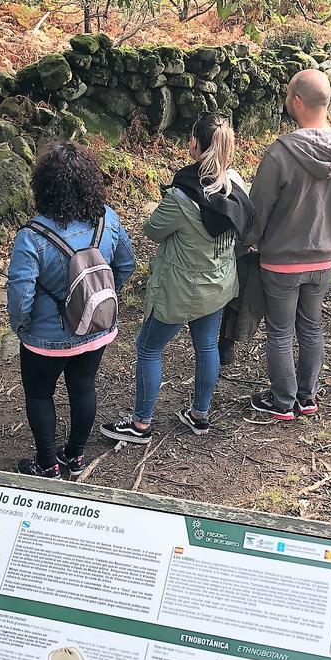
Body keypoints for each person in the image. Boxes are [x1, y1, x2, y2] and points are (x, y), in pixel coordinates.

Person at [100, 114, 252, 443]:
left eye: (191, 138)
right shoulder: (236, 184)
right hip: (218, 283)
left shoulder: (182, 197)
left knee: (148, 348)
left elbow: (152, 230)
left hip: (179, 288)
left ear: (197, 144)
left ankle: (141, 424)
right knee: (207, 345)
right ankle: (200, 414)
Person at [6, 142, 136, 478]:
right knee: (83, 388)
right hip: (96, 329)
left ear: (43, 186)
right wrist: (99, 299)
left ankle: (47, 464)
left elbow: (21, 296)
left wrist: (21, 327)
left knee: (39, 394)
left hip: (45, 339)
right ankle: (75, 458)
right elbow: (127, 264)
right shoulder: (107, 219)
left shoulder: (31, 236)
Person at [244, 70, 331, 420]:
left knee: (281, 331)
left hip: (281, 260)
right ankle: (307, 397)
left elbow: (258, 211)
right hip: (324, 258)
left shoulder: (279, 154)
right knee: (312, 326)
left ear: (297, 101)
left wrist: (250, 243)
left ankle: (283, 402)